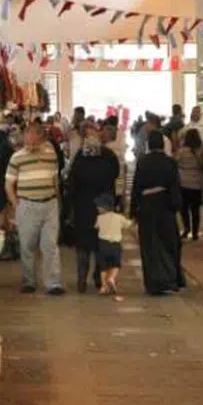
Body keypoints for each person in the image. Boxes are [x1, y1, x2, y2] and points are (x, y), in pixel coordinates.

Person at [7, 121, 64, 295]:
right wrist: (16, 205)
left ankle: (53, 283)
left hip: (50, 205)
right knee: (27, 245)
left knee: (50, 245)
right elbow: (8, 184)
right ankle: (29, 281)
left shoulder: (51, 155)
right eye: (28, 139)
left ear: (41, 138)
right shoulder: (16, 157)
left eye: (34, 140)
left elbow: (55, 181)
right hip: (27, 205)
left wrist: (57, 201)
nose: (30, 144)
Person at [67, 124, 121, 293]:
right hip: (103, 206)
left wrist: (70, 205)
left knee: (83, 246)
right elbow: (115, 175)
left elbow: (72, 182)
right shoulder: (108, 156)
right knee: (100, 244)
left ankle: (82, 280)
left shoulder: (80, 157)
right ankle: (99, 279)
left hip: (83, 206)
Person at [131, 130, 184, 295]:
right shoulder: (170, 162)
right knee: (169, 243)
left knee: (149, 245)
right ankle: (170, 279)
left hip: (146, 206)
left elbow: (136, 186)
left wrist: (134, 209)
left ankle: (153, 282)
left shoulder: (143, 162)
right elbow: (175, 185)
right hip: (165, 205)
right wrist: (176, 206)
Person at [94, 192, 130, 302]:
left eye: (99, 206)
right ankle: (112, 278)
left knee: (103, 267)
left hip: (103, 245)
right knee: (115, 265)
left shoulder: (99, 218)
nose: (97, 208)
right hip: (115, 245)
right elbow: (128, 225)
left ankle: (104, 287)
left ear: (104, 207)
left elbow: (96, 227)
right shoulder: (119, 217)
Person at [176, 128, 203, 241]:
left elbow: (175, 162)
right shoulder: (201, 150)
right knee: (195, 209)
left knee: (184, 208)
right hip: (197, 183)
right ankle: (195, 232)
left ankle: (187, 228)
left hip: (184, 182)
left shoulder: (182, 151)